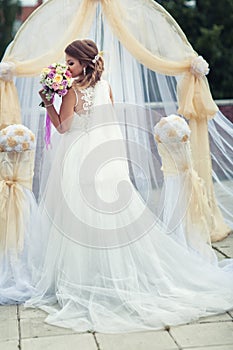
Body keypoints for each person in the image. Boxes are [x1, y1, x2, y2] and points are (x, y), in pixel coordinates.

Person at [25, 39, 233, 333]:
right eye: (66, 62)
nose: (66, 67)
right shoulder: (104, 86)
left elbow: (62, 128)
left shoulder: (72, 91)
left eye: (70, 62)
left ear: (84, 63)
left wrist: (48, 102)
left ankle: (84, 278)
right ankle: (111, 274)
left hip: (78, 156)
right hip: (104, 157)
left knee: (77, 217)